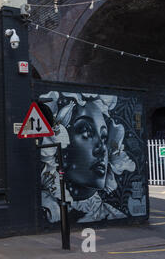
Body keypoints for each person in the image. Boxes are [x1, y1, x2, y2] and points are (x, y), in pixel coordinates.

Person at [40, 92, 136, 223]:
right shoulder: (45, 210)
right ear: (56, 142)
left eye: (104, 137)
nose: (102, 148)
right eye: (86, 132)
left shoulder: (112, 215)